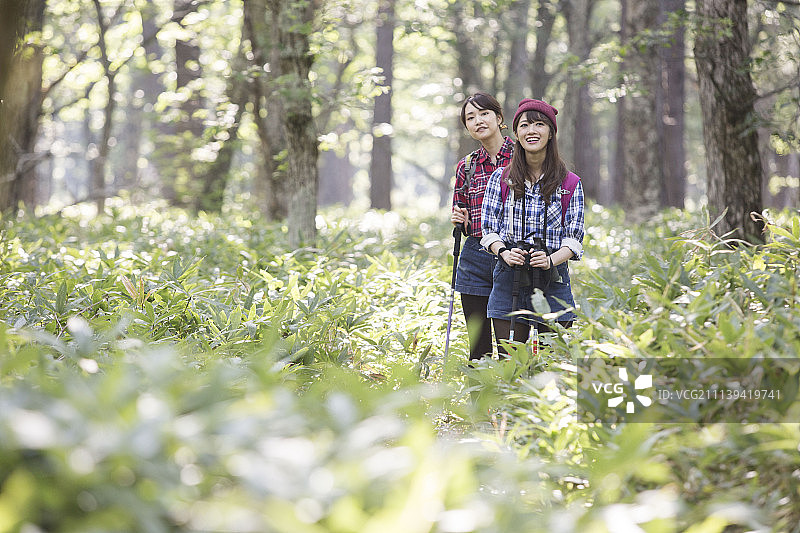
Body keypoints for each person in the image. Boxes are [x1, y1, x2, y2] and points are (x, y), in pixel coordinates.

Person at [480, 98, 584, 352]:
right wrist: (504, 252)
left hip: (553, 275)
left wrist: (550, 260)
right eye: (525, 125)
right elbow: (488, 229)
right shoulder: (501, 178)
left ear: (551, 133)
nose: (532, 131)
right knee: (509, 358)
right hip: (508, 276)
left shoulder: (569, 182)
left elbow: (574, 237)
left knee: (552, 358)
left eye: (539, 124)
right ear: (516, 133)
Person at [451, 92, 514, 361]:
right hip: (475, 254)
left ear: (499, 118)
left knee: (510, 342)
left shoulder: (522, 156)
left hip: (511, 254)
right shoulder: (466, 166)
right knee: (478, 344)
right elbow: (461, 207)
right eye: (470, 117)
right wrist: (459, 220)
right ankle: (479, 401)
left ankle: (512, 400)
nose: (478, 120)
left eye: (484, 113)